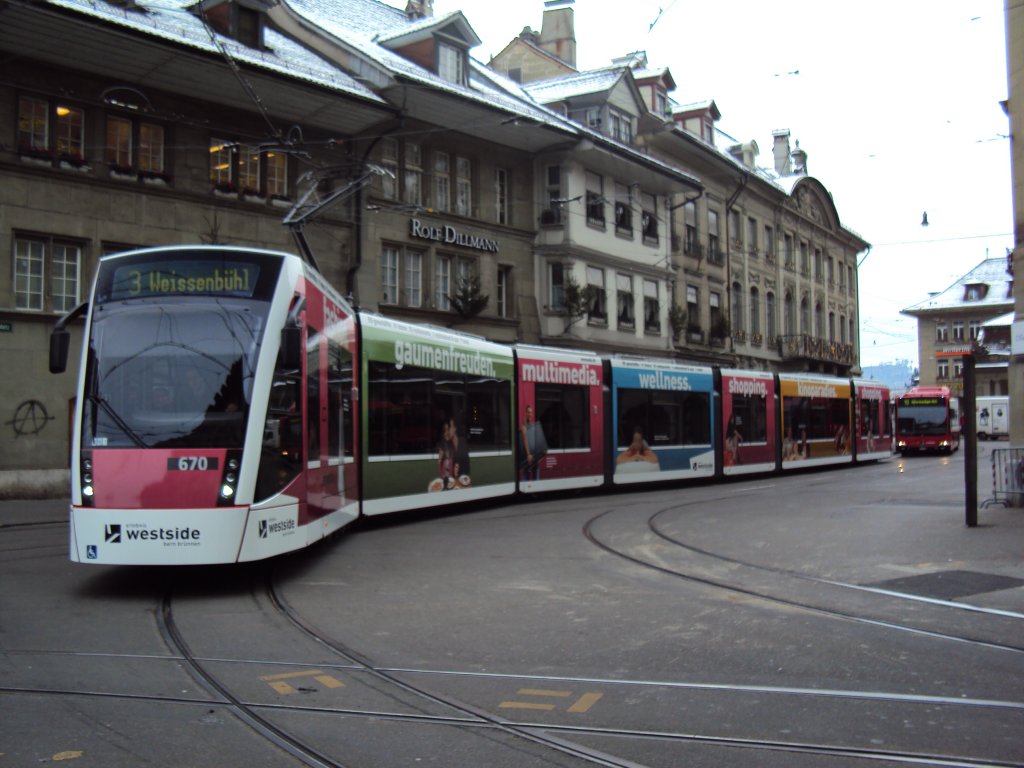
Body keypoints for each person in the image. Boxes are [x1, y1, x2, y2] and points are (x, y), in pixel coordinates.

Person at [519, 404, 546, 481]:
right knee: (526, 477)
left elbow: (535, 441)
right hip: (527, 457)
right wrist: (528, 454)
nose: (530, 414)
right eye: (528, 412)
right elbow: (525, 439)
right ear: (525, 413)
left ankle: (534, 491)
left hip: (534, 457)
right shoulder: (523, 426)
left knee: (536, 478)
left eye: (531, 412)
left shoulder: (532, 426)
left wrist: (541, 453)